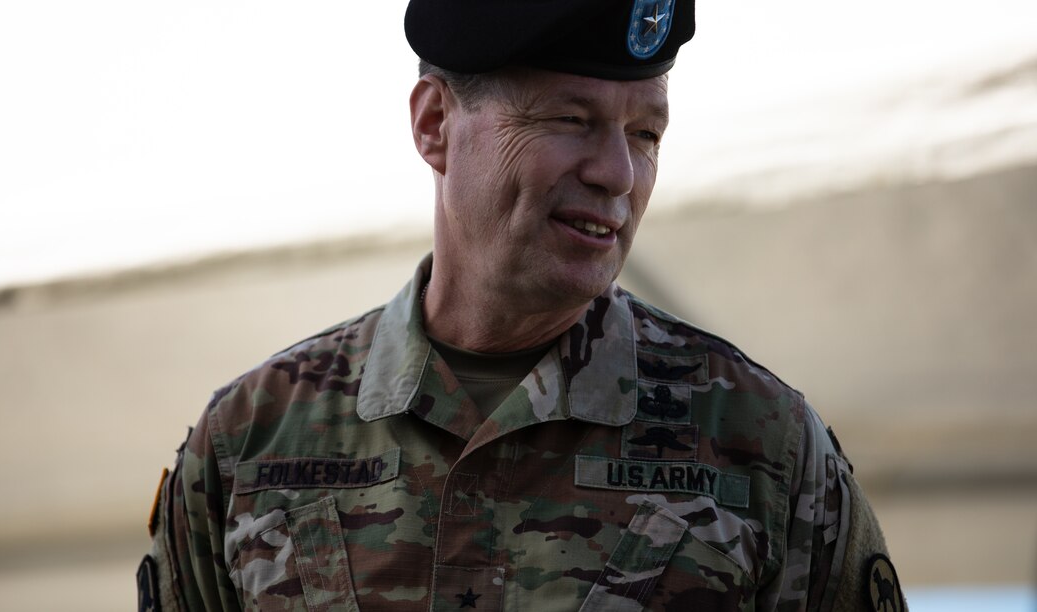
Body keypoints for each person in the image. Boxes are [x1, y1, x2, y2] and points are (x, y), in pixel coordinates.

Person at [139, 1, 906, 610]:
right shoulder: (247, 442)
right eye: (570, 120)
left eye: (646, 133)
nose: (618, 173)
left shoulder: (763, 444)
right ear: (435, 124)